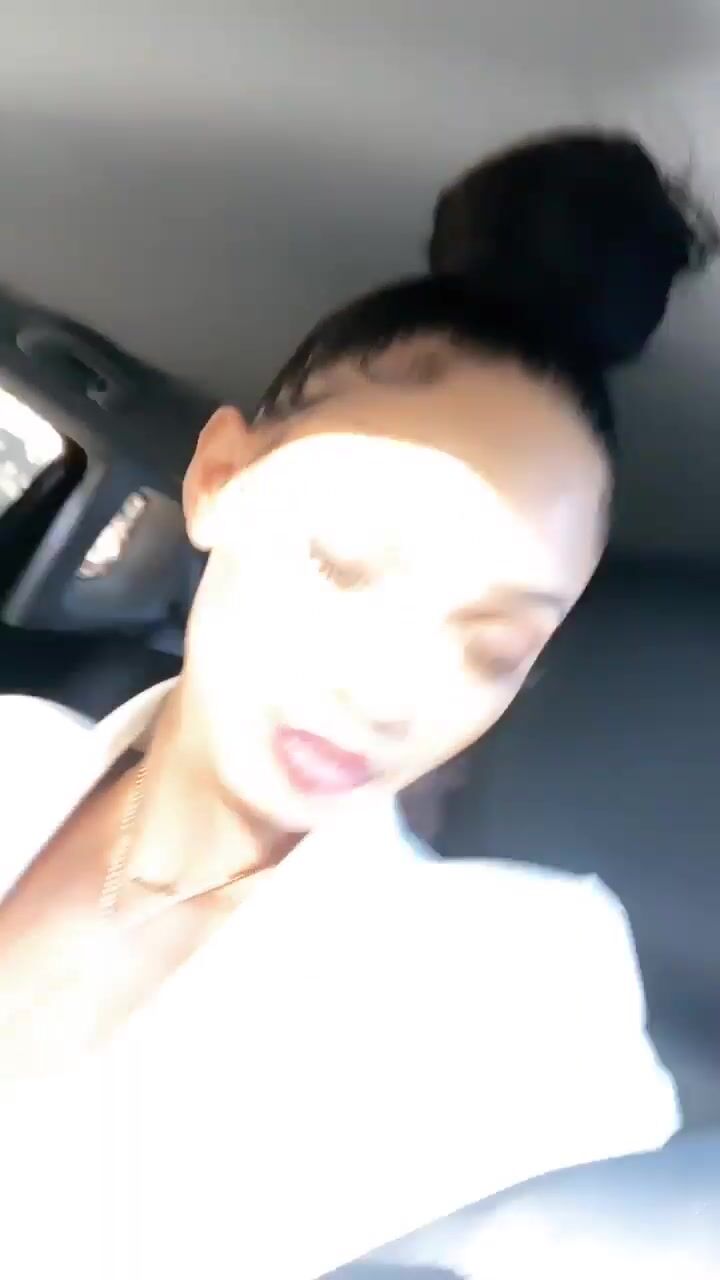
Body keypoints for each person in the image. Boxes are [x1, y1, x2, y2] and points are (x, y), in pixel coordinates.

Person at [0, 129, 713, 1280]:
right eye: (342, 564)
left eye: (493, 643)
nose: (391, 687)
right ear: (220, 480)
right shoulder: (13, 749)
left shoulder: (524, 982)